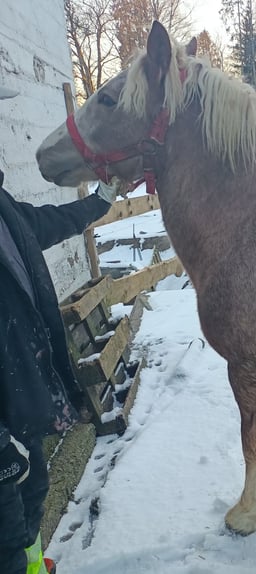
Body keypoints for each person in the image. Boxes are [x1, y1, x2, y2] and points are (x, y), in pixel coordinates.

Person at [0, 84, 118, 574]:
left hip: (19, 407)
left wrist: (101, 201)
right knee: (7, 536)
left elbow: (45, 223)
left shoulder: (4, 208)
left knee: (33, 501)